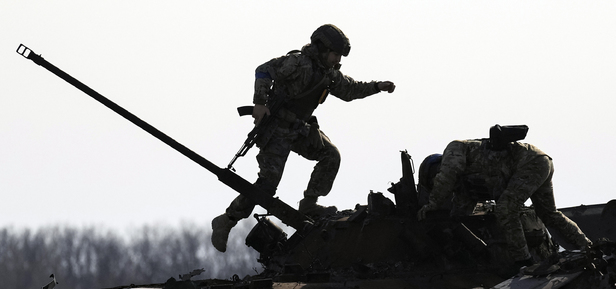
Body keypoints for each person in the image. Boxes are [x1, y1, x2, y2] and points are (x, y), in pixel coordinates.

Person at [212, 24, 396, 252]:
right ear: (321, 48)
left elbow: (350, 90)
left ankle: (309, 204)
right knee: (267, 186)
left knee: (331, 155)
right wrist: (260, 102)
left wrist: (377, 87)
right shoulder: (298, 63)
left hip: (299, 130)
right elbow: (263, 70)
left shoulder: (328, 74)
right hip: (277, 129)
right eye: (335, 54)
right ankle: (226, 220)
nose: (337, 59)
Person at [417, 138, 591, 268]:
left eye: (435, 179)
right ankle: (587, 246)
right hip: (538, 163)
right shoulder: (465, 187)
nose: (437, 183)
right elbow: (462, 212)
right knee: (548, 213)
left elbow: (448, 175)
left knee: (507, 209)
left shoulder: (454, 149)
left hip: (531, 162)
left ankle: (524, 262)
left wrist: (432, 204)